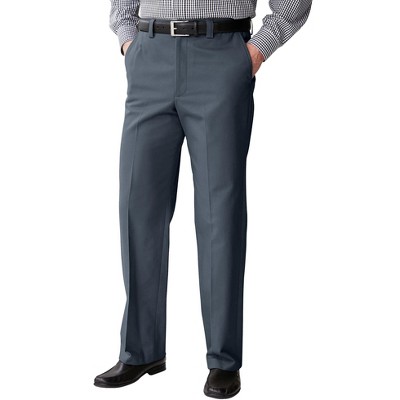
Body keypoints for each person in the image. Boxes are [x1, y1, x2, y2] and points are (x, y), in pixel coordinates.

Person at [94, 1, 312, 397]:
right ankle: (141, 350)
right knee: (137, 208)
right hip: (149, 55)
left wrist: (258, 49)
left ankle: (223, 360)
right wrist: (129, 42)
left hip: (221, 55)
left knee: (219, 217)